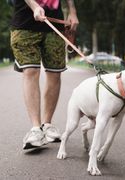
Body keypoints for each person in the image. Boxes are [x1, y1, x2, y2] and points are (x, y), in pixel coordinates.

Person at [10, 0, 79, 149]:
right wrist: (34, 6)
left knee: (55, 73)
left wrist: (72, 12)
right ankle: (36, 129)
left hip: (55, 25)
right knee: (31, 71)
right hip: (24, 23)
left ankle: (47, 125)